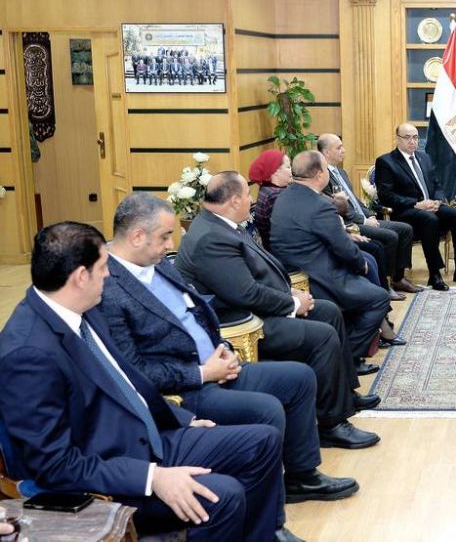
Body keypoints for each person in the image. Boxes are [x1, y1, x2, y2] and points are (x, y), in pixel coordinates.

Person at [0, 222, 296, 541]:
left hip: (143, 438)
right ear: (81, 276)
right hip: (105, 473)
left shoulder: (82, 310)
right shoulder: (28, 354)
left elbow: (126, 380)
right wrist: (151, 478)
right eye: (103, 267)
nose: (109, 275)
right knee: (222, 495)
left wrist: (183, 419)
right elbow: (54, 464)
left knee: (262, 442)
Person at [100, 193, 360, 505]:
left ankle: (302, 477)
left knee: (300, 378)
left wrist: (222, 348)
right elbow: (133, 371)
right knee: (267, 409)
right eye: (165, 236)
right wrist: (202, 372)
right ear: (137, 236)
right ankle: (268, 517)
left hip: (216, 364)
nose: (170, 245)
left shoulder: (156, 264)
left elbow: (196, 313)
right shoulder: (108, 288)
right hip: (185, 389)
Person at [175, 171, 381, 448]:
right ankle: (332, 424)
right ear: (234, 200)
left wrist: (290, 294)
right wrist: (292, 304)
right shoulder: (211, 238)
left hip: (259, 309)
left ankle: (343, 395)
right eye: (247, 196)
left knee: (329, 311)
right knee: (322, 336)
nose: (251, 200)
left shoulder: (222, 225)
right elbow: (245, 293)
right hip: (244, 323)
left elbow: (256, 276)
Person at [270, 151, 391, 362]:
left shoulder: (285, 197)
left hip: (294, 271)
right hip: (320, 277)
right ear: (319, 174)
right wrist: (360, 264)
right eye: (326, 169)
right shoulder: (320, 205)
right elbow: (342, 246)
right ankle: (348, 357)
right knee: (379, 298)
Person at [374, 122, 456, 291]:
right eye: (407, 137)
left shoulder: (425, 158)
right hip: (406, 210)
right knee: (430, 219)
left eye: (415, 137)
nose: (412, 141)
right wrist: (416, 204)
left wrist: (438, 200)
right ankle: (434, 274)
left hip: (431, 205)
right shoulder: (386, 161)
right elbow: (386, 195)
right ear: (397, 139)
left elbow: (436, 185)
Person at [318, 132, 421, 294]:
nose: (344, 150)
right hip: (350, 223)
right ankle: (385, 283)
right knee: (390, 236)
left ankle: (398, 278)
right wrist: (364, 221)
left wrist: (369, 214)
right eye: (339, 148)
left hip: (363, 218)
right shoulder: (323, 176)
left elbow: (354, 200)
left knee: (405, 229)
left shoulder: (341, 172)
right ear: (326, 152)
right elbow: (337, 209)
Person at [248, 150, 291, 250]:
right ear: (276, 171)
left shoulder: (267, 188)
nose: (291, 171)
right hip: (281, 252)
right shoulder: (275, 196)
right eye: (288, 167)